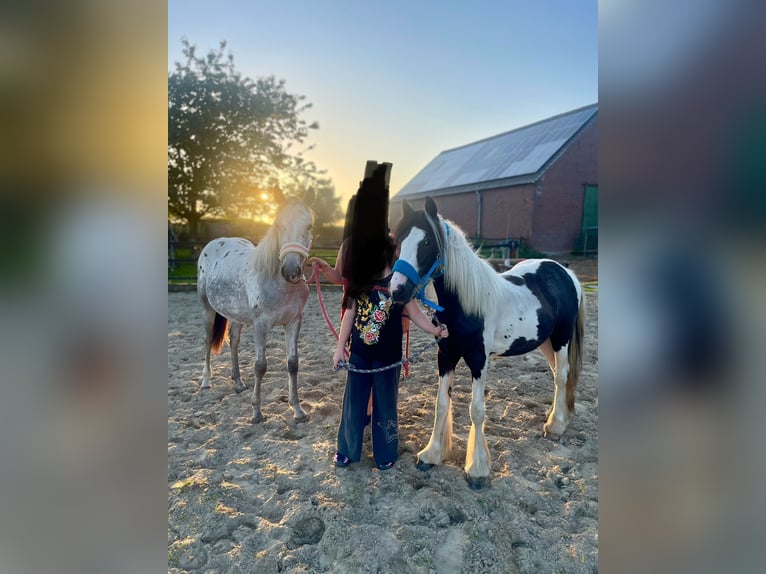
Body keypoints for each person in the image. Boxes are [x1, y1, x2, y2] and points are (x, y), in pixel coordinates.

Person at [331, 234, 448, 470]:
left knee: (385, 405)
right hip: (359, 355)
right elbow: (349, 315)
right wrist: (339, 348)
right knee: (353, 403)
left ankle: (385, 453)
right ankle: (346, 450)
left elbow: (415, 314)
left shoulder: (399, 285)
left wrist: (434, 330)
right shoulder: (358, 281)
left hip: (388, 357)